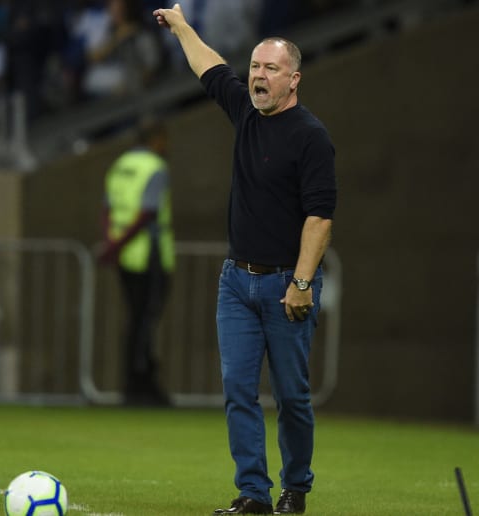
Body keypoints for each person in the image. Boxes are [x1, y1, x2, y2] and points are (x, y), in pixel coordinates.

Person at [154, 5, 337, 515]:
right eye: (255, 67)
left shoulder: (311, 137)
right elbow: (209, 67)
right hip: (236, 281)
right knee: (238, 392)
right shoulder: (245, 113)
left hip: (287, 285)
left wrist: (301, 282)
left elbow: (319, 218)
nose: (257, 76)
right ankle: (253, 494)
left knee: (293, 398)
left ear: (293, 79)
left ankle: (295, 487)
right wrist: (184, 27)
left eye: (269, 69)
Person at [98, 116, 175, 406]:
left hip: (123, 257)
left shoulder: (120, 165)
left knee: (135, 319)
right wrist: (117, 245)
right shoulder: (155, 167)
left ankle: (135, 381)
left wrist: (111, 244)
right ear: (156, 139)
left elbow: (106, 209)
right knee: (145, 322)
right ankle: (142, 385)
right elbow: (148, 213)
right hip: (149, 256)